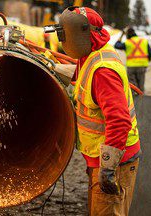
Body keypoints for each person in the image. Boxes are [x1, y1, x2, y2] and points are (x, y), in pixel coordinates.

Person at [54, 7, 141, 215]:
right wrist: (51, 67)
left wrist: (108, 168)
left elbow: (119, 121)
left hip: (115, 163)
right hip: (99, 159)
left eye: (64, 35)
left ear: (80, 33)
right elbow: (81, 74)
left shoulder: (103, 72)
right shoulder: (94, 52)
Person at [115, 28, 151, 92]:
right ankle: (142, 100)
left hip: (131, 67)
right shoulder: (144, 41)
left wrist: (122, 35)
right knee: (141, 86)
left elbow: (116, 45)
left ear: (127, 35)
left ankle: (134, 100)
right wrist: (148, 59)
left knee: (133, 87)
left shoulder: (127, 43)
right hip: (142, 66)